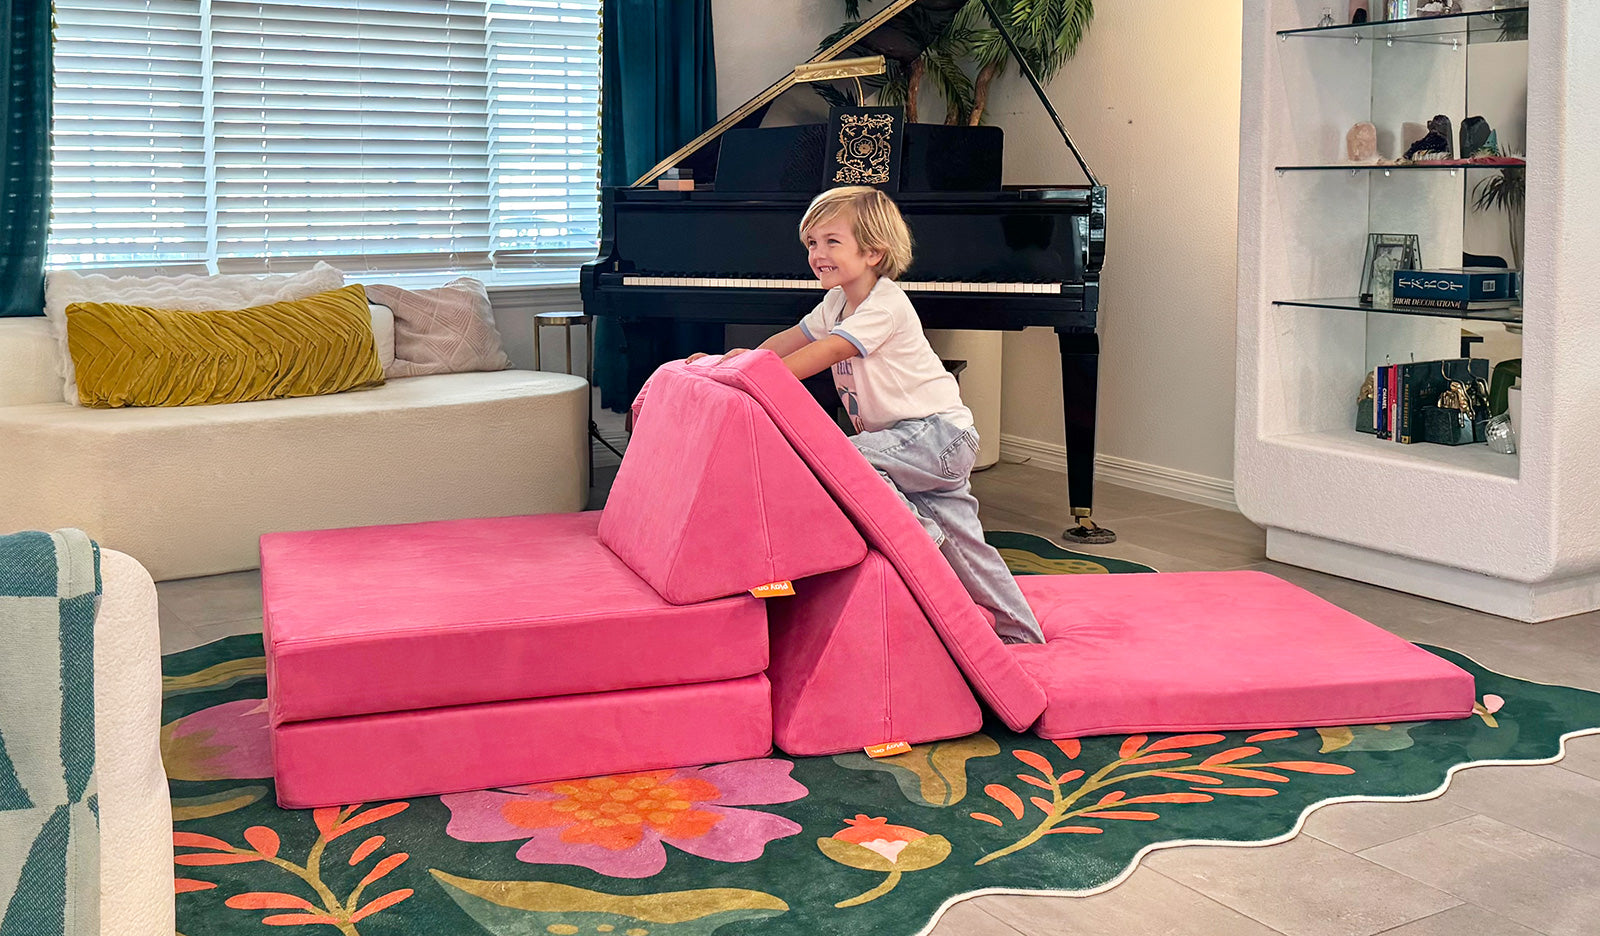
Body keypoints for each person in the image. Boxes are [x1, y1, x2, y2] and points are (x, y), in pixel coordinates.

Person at [688, 185, 1044, 644]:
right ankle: (1024, 636)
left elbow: (824, 352)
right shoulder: (836, 301)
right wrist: (735, 363)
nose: (817, 253)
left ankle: (916, 540)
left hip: (936, 435)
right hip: (905, 444)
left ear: (874, 251)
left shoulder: (885, 304)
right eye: (812, 243)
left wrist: (749, 379)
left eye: (832, 241)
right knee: (969, 549)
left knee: (841, 460)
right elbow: (788, 341)